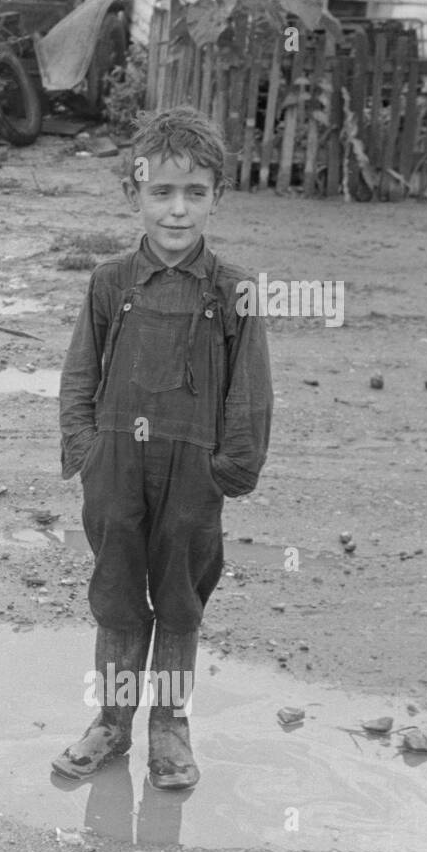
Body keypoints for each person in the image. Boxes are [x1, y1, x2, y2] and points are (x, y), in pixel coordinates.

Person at [53, 106, 273, 790]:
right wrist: (84, 447)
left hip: (193, 471)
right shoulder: (110, 281)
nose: (177, 212)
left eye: (194, 194)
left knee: (179, 599)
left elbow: (251, 390)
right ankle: (112, 724)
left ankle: (170, 727)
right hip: (115, 465)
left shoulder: (233, 290)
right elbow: (79, 373)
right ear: (134, 195)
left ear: (217, 197)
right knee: (117, 594)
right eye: (161, 193)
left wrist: (230, 466)